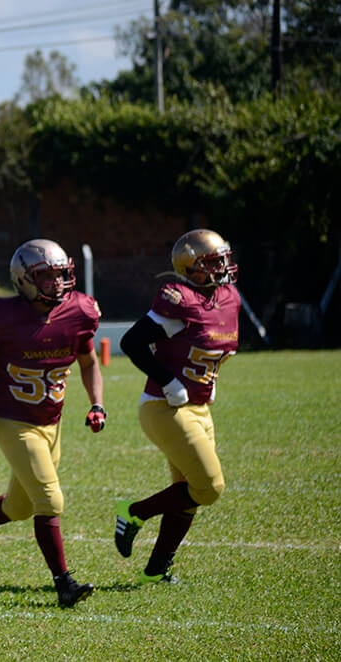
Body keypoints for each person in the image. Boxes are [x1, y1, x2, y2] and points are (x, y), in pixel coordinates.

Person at [0, 238, 106, 608]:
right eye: (46, 277)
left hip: (53, 422)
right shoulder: (3, 317)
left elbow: (88, 361)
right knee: (50, 499)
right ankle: (64, 584)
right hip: (13, 421)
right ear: (24, 280)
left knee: (20, 507)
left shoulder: (79, 311)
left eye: (60, 275)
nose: (57, 284)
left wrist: (98, 404)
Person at [115, 229, 240, 584]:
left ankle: (156, 570)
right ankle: (133, 512)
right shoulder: (178, 299)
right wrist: (168, 380)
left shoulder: (229, 298)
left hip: (200, 407)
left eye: (223, 259)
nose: (223, 267)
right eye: (213, 262)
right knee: (209, 487)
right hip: (164, 407)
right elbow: (132, 342)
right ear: (190, 267)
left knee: (188, 493)